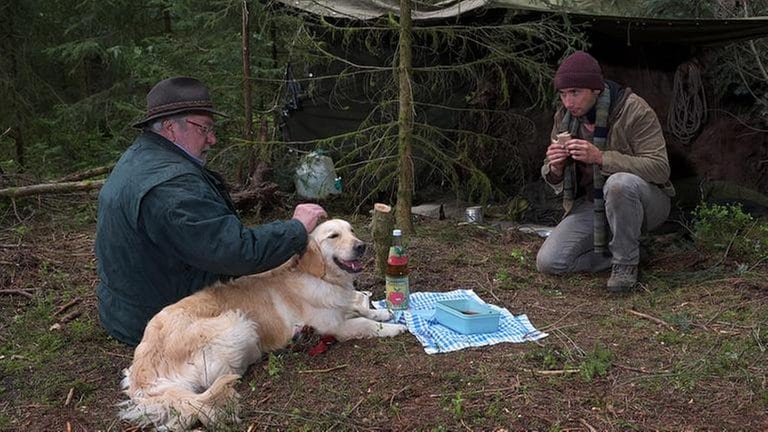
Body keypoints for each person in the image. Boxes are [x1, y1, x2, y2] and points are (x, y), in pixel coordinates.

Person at [95, 77, 327, 345]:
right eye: (204, 128)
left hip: (126, 310)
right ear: (171, 128)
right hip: (157, 323)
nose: (212, 139)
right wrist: (295, 229)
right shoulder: (172, 187)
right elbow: (234, 252)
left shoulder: (142, 156)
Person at [536, 51, 675, 293]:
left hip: (646, 202)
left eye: (575, 93)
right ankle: (629, 252)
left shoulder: (633, 110)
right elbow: (551, 173)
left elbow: (660, 169)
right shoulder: (565, 119)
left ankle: (625, 264)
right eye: (563, 94)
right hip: (592, 205)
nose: (568, 102)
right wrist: (555, 167)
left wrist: (601, 158)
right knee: (550, 262)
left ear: (595, 90)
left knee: (619, 184)